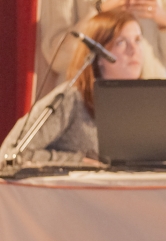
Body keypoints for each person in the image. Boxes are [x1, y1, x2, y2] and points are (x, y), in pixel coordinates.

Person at [2, 10, 144, 172]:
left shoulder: (145, 103)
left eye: (138, 40)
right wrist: (77, 161)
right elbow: (11, 154)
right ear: (98, 56)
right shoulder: (71, 99)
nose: (134, 50)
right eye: (121, 42)